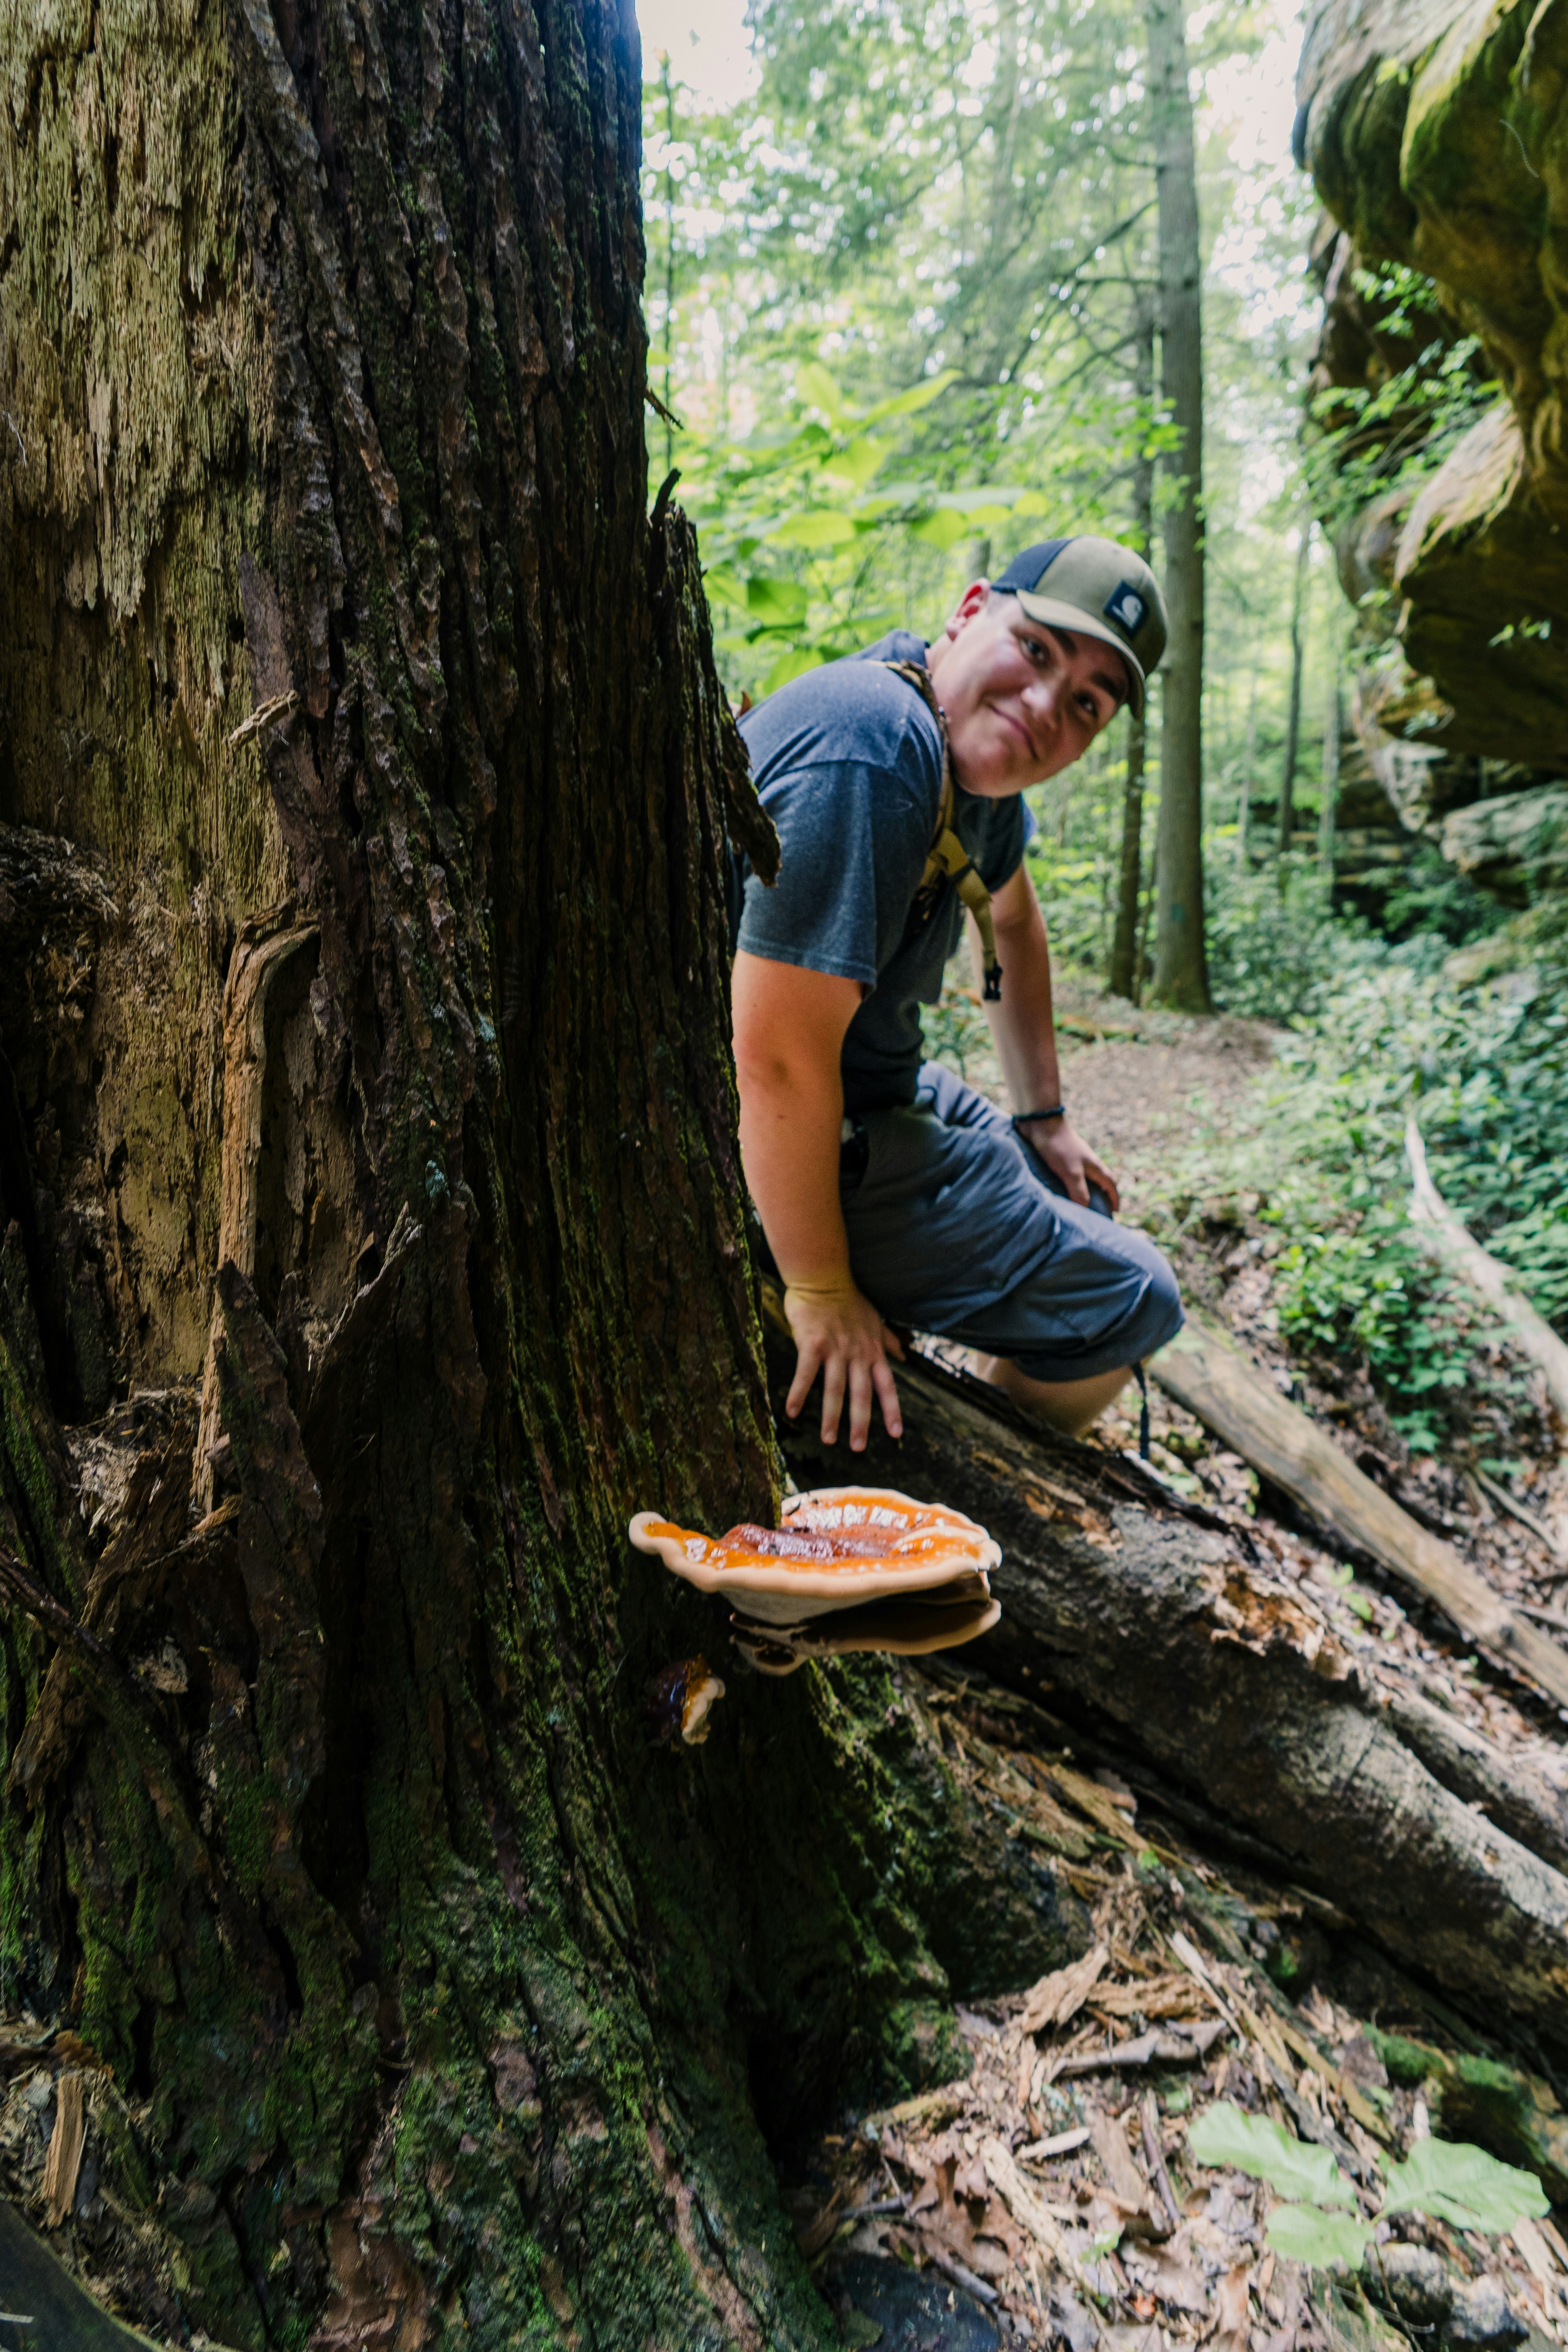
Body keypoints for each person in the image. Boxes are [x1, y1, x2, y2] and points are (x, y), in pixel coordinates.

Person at [729, 536, 1184, 1453]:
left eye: (1086, 703)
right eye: (1039, 649)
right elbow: (772, 1056)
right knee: (1137, 1299)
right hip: (760, 1133)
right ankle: (937, 1473)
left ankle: (959, 1438)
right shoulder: (873, 746)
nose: (1046, 704)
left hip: (868, 1093)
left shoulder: (970, 782)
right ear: (970, 609)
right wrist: (817, 1289)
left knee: (1073, 1201)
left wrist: (1043, 1116)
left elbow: (1011, 922)